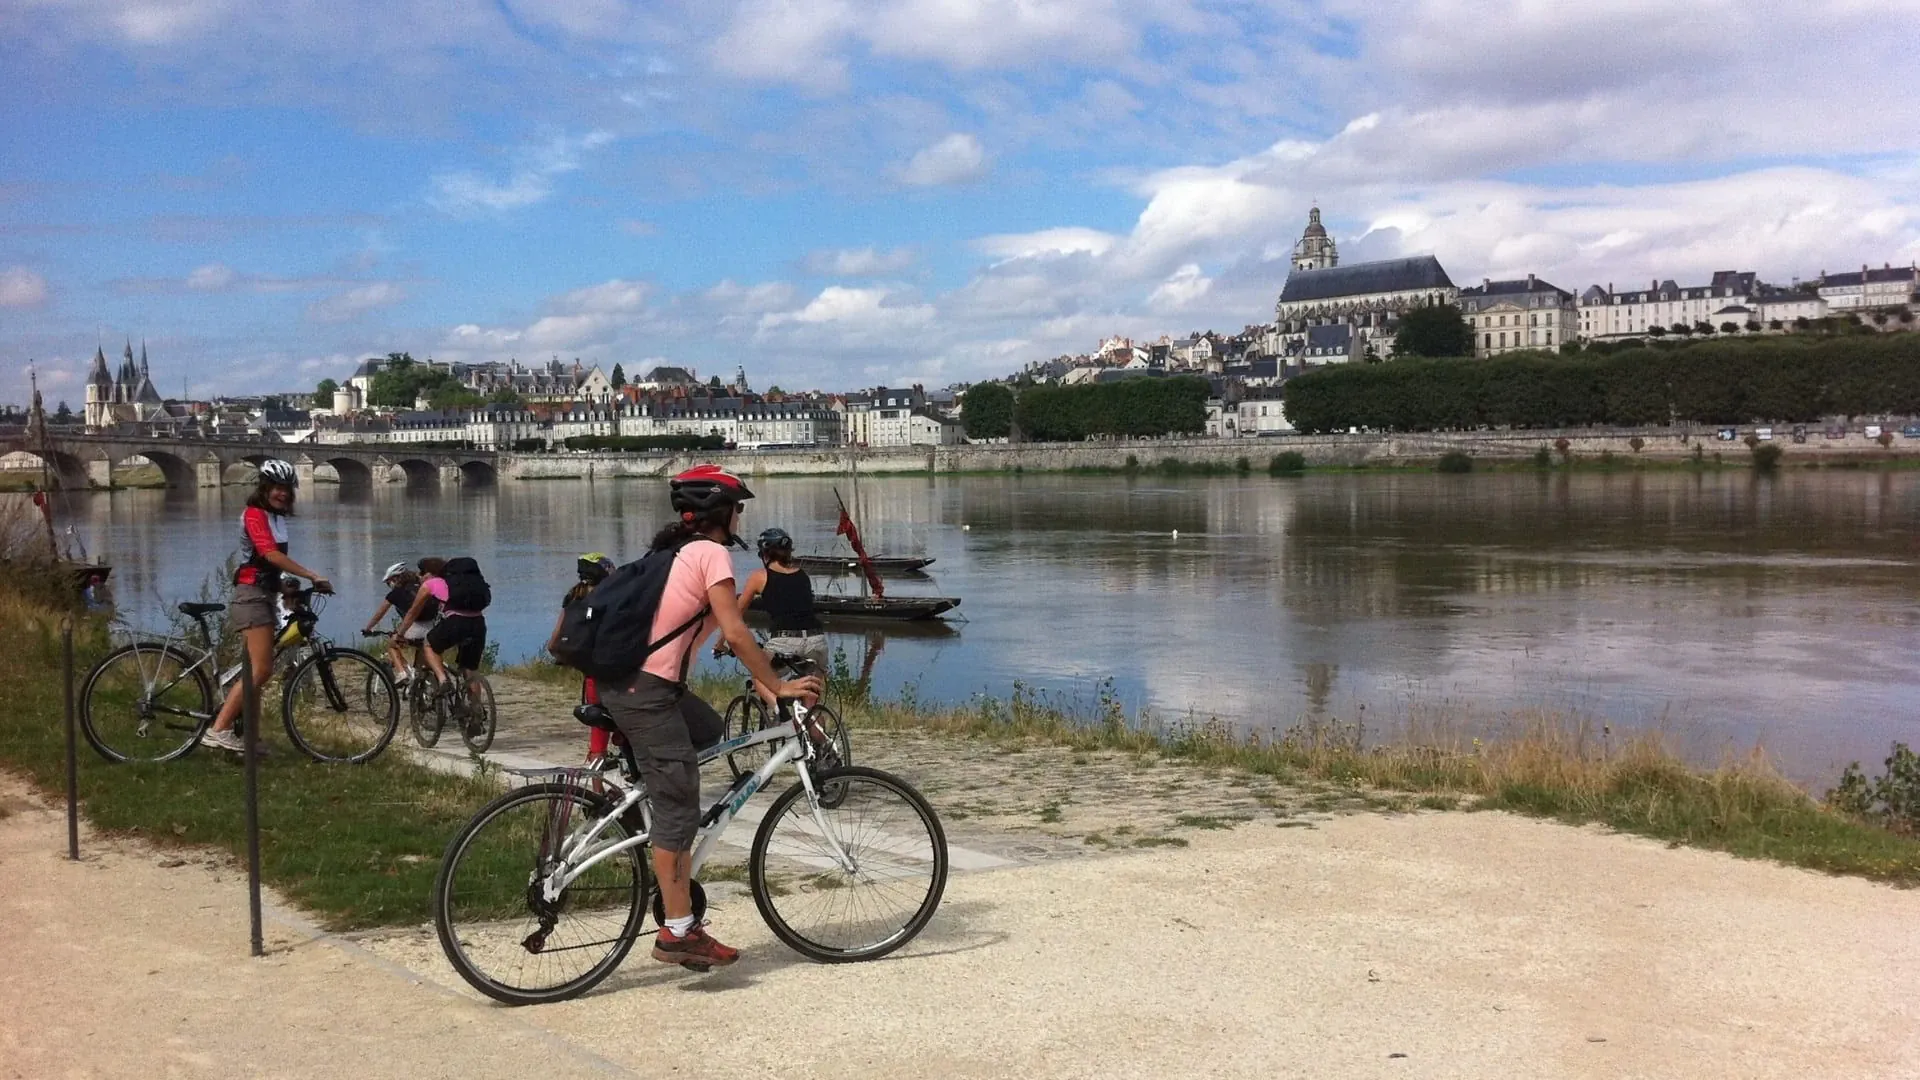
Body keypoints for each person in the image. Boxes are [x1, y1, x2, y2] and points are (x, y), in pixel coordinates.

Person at [597, 464, 820, 970]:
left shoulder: (674, 550)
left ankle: (654, 802)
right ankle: (678, 931)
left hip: (644, 685)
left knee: (709, 730)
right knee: (680, 804)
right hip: (646, 692)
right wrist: (778, 685)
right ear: (724, 512)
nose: (741, 517)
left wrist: (768, 681)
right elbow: (737, 633)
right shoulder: (711, 553)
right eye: (738, 508)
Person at [203, 460, 332, 755]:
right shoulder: (254, 514)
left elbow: (270, 566)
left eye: (287, 488)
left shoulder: (278, 519)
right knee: (261, 670)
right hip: (250, 597)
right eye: (277, 488)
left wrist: (288, 585)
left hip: (264, 595)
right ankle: (218, 729)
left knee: (257, 673)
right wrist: (311, 574)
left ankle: (250, 740)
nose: (282, 493)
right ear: (264, 488)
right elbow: (269, 554)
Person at [733, 527, 827, 714]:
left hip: (785, 642)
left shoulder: (760, 576)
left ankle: (781, 714)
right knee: (811, 705)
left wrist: (721, 644)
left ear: (765, 554)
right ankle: (819, 742)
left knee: (760, 677)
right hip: (817, 642)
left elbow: (735, 614)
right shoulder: (802, 575)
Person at [395, 557, 486, 731]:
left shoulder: (432, 584)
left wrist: (399, 634)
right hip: (478, 623)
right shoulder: (463, 582)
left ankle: (443, 680)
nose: (419, 576)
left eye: (421, 572)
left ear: (429, 573)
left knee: (429, 645)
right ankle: (476, 713)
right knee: (469, 669)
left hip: (455, 622)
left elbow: (412, 613)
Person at [547, 552, 617, 766]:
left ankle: (597, 792)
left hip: (591, 676)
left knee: (598, 735)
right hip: (616, 674)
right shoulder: (612, 597)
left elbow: (553, 642)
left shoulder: (573, 597)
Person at [363, 561, 434, 685]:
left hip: (415, 628)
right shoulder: (421, 585)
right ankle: (421, 686)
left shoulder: (396, 592)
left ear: (395, 578)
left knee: (392, 644)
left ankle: (402, 674)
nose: (389, 585)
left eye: (388, 582)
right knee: (420, 668)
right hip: (432, 626)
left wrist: (368, 628)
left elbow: (379, 613)